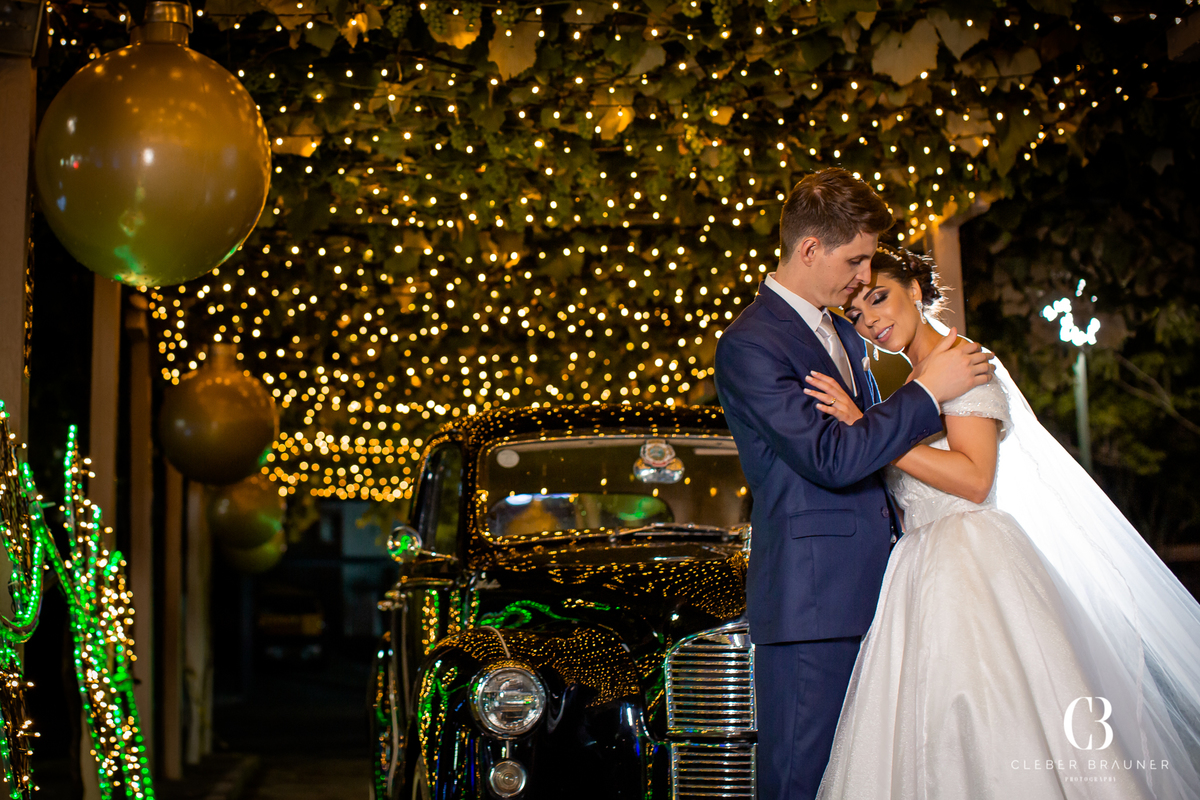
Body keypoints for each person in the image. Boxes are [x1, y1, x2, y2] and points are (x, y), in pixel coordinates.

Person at [807, 244, 1200, 799]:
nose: (870, 319)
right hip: (919, 573)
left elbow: (974, 478)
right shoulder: (916, 383)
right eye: (857, 312)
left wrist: (871, 435)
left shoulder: (961, 361)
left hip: (971, 565)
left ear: (915, 292)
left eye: (880, 298)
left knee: (991, 718)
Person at [713, 168, 995, 800]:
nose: (865, 276)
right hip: (814, 605)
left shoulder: (840, 331)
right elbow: (833, 459)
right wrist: (927, 392)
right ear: (809, 249)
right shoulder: (752, 344)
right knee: (802, 783)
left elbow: (868, 449)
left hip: (885, 592)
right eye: (857, 259)